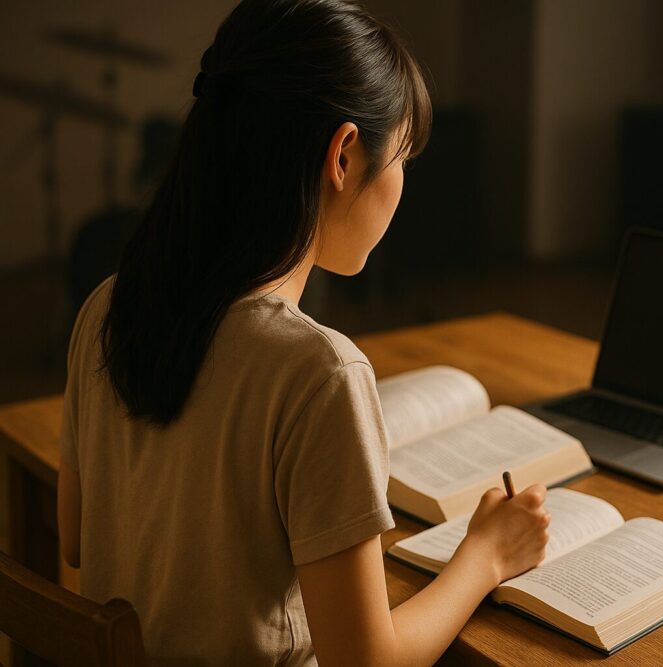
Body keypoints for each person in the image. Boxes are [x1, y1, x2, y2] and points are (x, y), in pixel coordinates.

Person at [55, 1, 550, 665]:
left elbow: (77, 540)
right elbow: (365, 661)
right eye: (401, 155)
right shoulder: (320, 371)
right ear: (344, 155)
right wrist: (487, 554)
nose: (402, 185)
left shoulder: (108, 307)